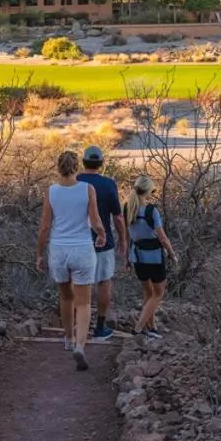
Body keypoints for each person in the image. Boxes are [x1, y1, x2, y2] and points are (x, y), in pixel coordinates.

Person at [36, 150, 106, 371]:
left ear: (58, 168)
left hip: (59, 250)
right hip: (82, 249)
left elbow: (45, 226)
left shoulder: (51, 192)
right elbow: (95, 220)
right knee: (83, 302)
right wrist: (102, 234)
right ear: (77, 167)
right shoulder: (87, 189)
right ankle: (80, 345)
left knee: (66, 297)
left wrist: (39, 253)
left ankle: (68, 338)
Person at [77, 145, 129, 341]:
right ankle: (100, 327)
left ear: (83, 162)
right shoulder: (108, 184)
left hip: (77, 241)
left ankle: (76, 327)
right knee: (103, 282)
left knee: (78, 284)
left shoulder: (74, 182)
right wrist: (123, 239)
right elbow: (118, 217)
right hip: (102, 242)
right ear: (101, 163)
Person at [123, 175, 176, 339]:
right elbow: (162, 237)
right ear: (148, 191)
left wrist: (127, 258)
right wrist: (172, 254)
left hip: (137, 257)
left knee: (148, 293)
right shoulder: (151, 211)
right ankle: (139, 328)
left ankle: (151, 327)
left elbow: (127, 236)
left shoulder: (127, 208)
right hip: (154, 258)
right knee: (158, 293)